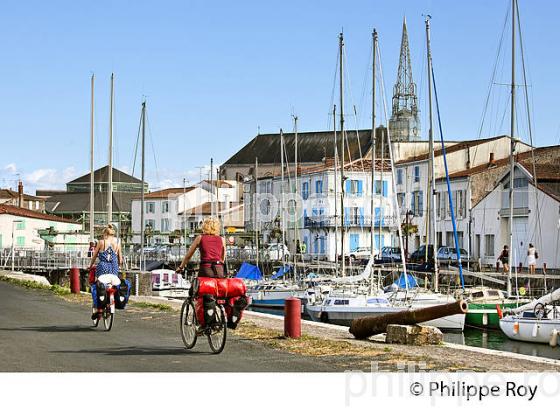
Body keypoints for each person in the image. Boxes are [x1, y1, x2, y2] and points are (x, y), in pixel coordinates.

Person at [88, 224, 123, 320]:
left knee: (97, 285)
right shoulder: (118, 242)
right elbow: (120, 259)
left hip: (102, 267)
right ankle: (110, 303)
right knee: (113, 285)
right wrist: (119, 267)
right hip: (114, 267)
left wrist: (90, 266)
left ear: (105, 234)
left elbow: (94, 256)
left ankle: (98, 308)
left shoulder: (101, 242)